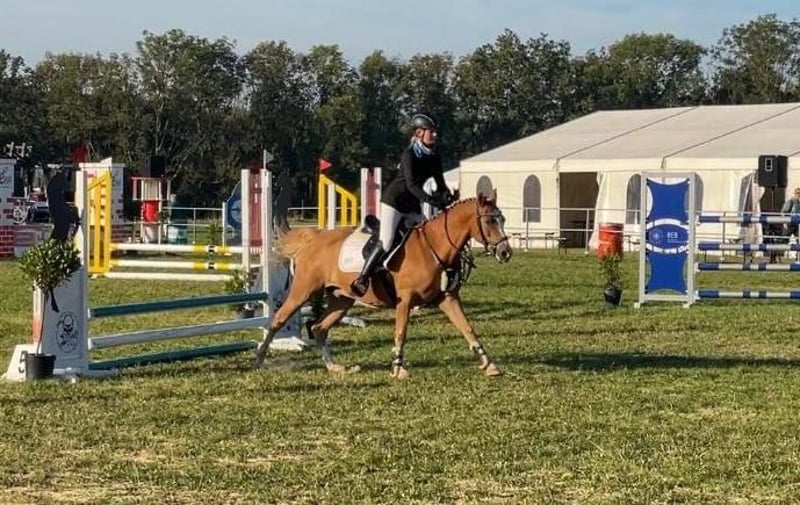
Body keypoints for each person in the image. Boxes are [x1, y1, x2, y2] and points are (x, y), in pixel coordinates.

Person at [350, 113, 455, 296]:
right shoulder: (409, 155)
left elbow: (440, 183)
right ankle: (362, 278)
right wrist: (431, 200)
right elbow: (411, 185)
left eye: (435, 131)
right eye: (431, 131)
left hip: (412, 205)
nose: (435, 134)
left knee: (428, 237)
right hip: (394, 202)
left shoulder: (434, 156)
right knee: (387, 240)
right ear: (419, 133)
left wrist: (447, 196)